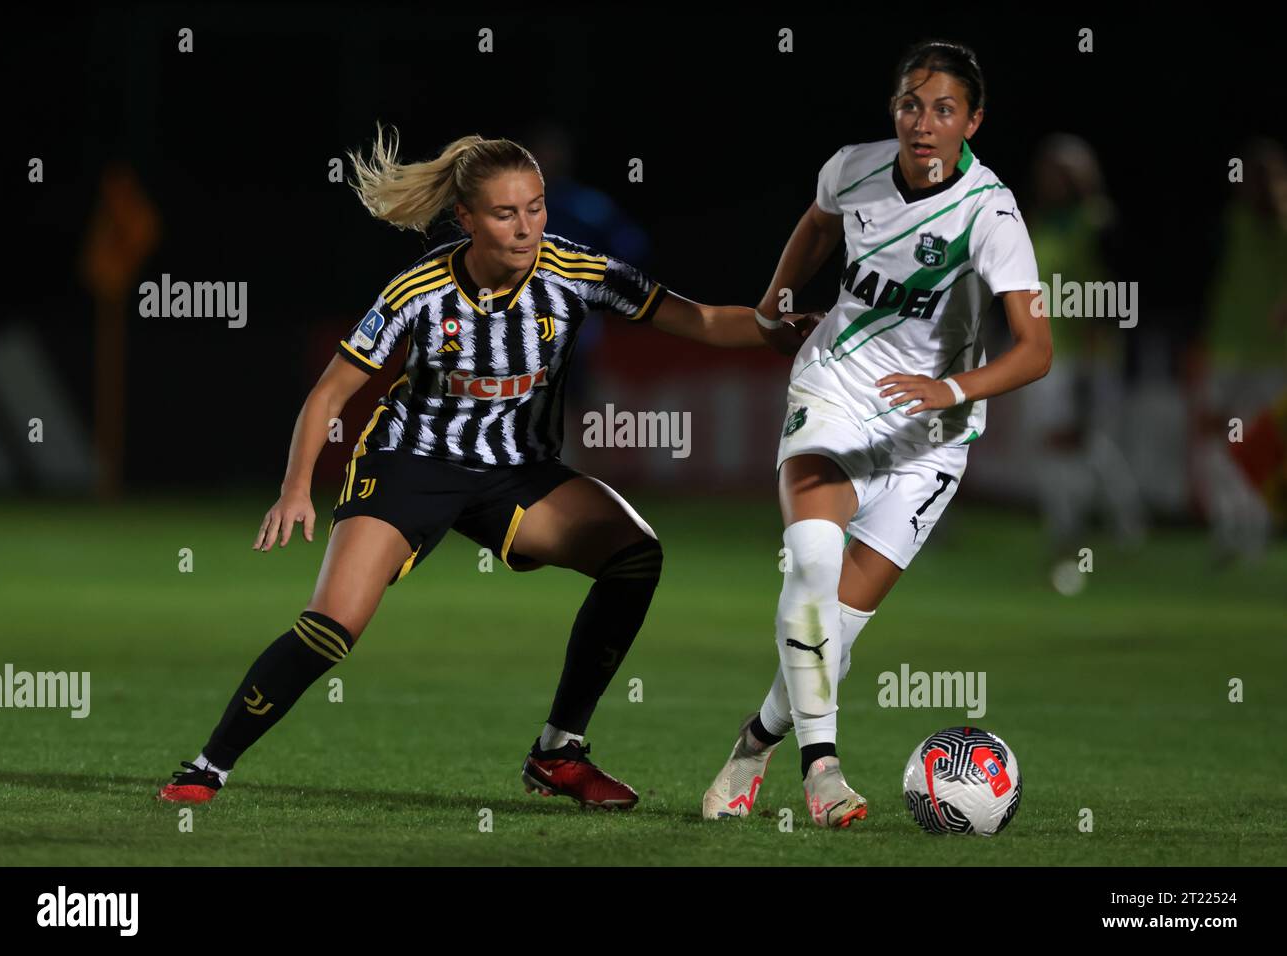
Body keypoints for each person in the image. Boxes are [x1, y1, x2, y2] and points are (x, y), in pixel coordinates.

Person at [156, 129, 809, 810]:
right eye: (505, 213)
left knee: (636, 554)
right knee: (332, 626)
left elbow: (701, 321)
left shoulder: (578, 271)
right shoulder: (421, 288)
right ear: (466, 218)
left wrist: (784, 330)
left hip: (515, 473)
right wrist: (296, 489)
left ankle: (558, 753)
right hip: (412, 463)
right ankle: (207, 766)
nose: (527, 227)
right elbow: (329, 393)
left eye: (536, 207)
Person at [702, 40, 1052, 827]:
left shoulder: (990, 213)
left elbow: (1037, 348)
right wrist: (772, 306)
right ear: (893, 109)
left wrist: (950, 388)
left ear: (973, 120)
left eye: (943, 109)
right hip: (837, 388)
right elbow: (818, 227)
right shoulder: (853, 167)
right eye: (909, 105)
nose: (923, 124)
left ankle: (752, 743)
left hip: (934, 434)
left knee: (838, 631)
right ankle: (822, 773)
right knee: (814, 562)